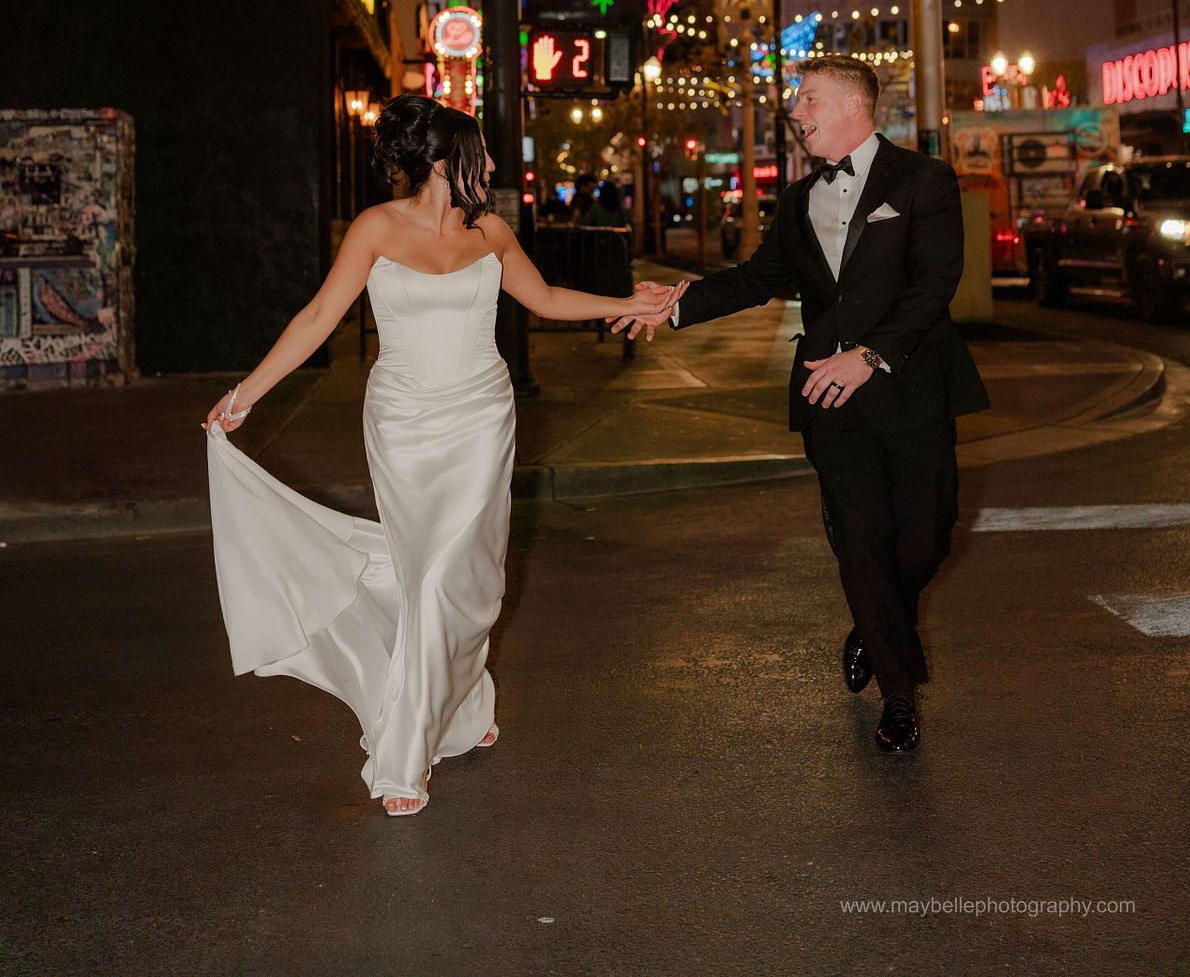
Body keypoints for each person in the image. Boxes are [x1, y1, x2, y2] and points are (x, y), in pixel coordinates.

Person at [204, 96, 680, 818]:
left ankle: (456, 707)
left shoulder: (490, 231)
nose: (490, 165)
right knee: (425, 574)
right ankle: (409, 753)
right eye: (479, 153)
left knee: (464, 575)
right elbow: (316, 318)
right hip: (401, 421)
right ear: (440, 161)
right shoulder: (376, 228)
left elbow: (545, 298)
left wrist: (631, 303)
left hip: (481, 417)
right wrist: (246, 394)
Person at [612, 56, 989, 755]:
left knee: (925, 537)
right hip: (826, 393)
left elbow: (934, 283)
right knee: (861, 543)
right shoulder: (796, 201)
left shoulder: (924, 181)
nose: (794, 110)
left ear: (853, 104)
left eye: (807, 97)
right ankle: (899, 697)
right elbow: (759, 279)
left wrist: (871, 355)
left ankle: (878, 625)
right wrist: (673, 306)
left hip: (911, 389)